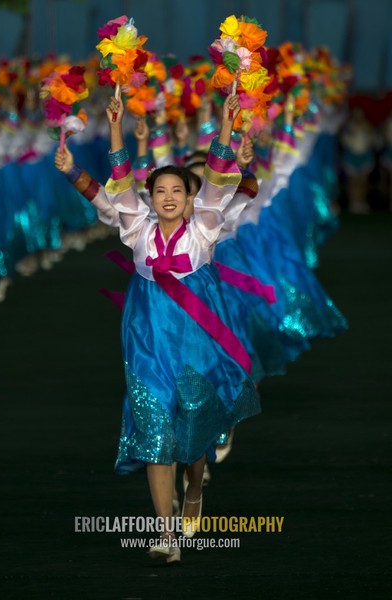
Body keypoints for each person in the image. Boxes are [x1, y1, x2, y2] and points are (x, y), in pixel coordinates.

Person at [91, 92, 260, 562]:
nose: (167, 198)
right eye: (160, 191)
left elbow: (218, 176)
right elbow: (121, 180)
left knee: (193, 429)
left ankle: (194, 490)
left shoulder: (204, 227)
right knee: (154, 430)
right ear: (151, 199)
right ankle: (166, 534)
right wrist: (116, 126)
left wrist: (226, 125)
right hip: (146, 341)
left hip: (195, 341)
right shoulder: (136, 230)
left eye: (177, 192)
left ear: (189, 201)